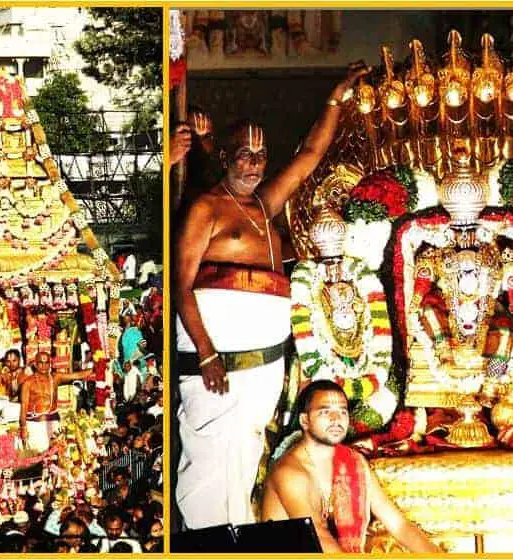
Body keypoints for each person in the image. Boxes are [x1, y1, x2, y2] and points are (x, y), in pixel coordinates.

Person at [174, 62, 369, 530]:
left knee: (247, 457)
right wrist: (205, 354)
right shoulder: (206, 207)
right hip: (216, 360)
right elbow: (182, 286)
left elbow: (310, 156)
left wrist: (335, 98)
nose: (255, 163)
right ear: (224, 157)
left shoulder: (266, 204)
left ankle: (238, 536)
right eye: (244, 154)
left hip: (263, 361)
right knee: (214, 462)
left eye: (261, 155)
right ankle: (209, 540)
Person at [261, 381, 440, 553]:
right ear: (304, 420)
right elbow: (317, 538)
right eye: (325, 412)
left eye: (343, 412)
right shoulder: (290, 473)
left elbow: (399, 525)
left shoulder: (354, 462)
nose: (336, 419)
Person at [19, 351, 92, 453]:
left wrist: (98, 366)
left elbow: (77, 375)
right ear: (35, 364)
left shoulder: (55, 377)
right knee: (39, 454)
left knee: (57, 453)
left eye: (46, 363)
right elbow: (24, 407)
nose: (44, 366)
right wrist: (23, 428)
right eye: (40, 363)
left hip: (53, 421)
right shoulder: (28, 383)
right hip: (35, 424)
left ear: (50, 364)